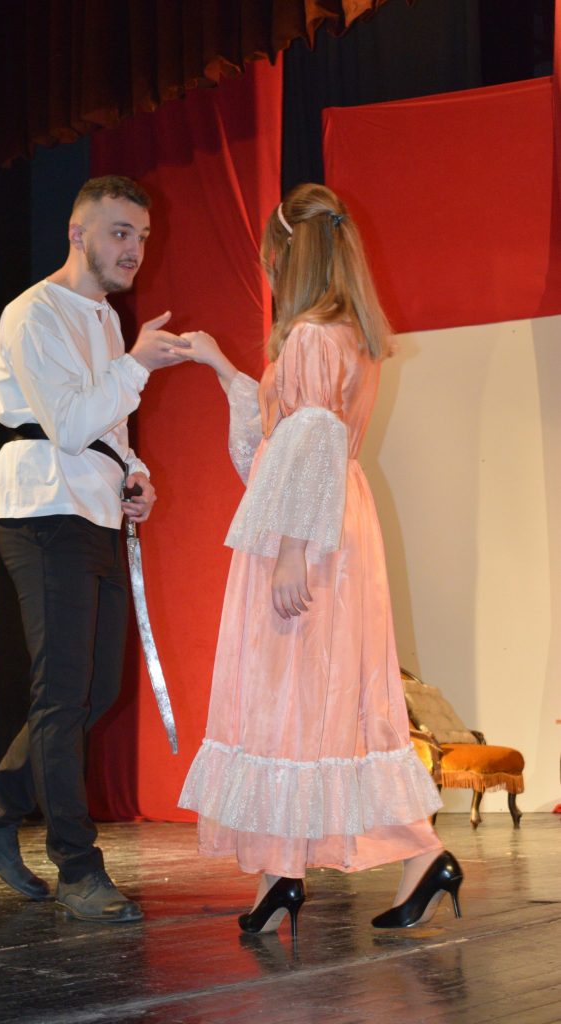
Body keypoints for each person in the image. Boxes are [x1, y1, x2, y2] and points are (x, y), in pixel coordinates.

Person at [177, 183, 463, 936]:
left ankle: (418, 853)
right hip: (336, 523)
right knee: (318, 699)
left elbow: (305, 441)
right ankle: (283, 872)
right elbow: (286, 440)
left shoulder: (308, 335)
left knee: (294, 695)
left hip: (308, 535)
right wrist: (222, 368)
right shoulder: (349, 335)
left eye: (270, 260)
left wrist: (289, 553)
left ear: (286, 255)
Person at [0, 175, 187, 924]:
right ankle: (79, 869)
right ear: (77, 233)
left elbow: (108, 431)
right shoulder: (34, 312)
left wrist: (138, 476)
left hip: (93, 508)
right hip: (43, 508)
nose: (134, 248)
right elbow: (71, 424)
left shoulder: (106, 320)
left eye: (141, 236)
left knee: (96, 692)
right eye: (119, 232)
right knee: (61, 694)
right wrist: (137, 365)